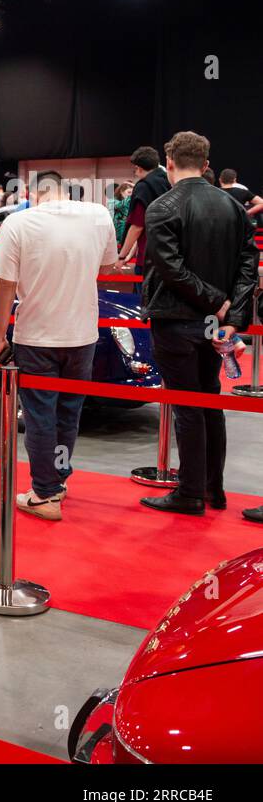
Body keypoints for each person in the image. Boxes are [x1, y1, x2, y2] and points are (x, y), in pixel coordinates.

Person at [138, 132, 259, 516]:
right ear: (206, 165)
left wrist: (220, 304)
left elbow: (171, 269)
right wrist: (233, 314)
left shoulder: (161, 207)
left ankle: (191, 492)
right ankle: (212, 489)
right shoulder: (233, 207)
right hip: (214, 322)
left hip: (177, 320)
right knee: (208, 401)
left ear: (169, 163)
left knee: (189, 405)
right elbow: (247, 266)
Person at [0, 170, 118, 521]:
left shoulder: (19, 223)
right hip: (82, 333)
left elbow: (5, 285)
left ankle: (45, 493)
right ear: (65, 189)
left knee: (41, 415)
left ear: (31, 191)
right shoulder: (99, 215)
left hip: (37, 337)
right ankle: (57, 481)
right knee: (68, 414)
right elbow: (108, 269)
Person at [118, 145, 171, 273]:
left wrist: (122, 256)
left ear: (138, 168)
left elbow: (137, 226)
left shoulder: (143, 187)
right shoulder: (168, 181)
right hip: (169, 253)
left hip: (148, 257)